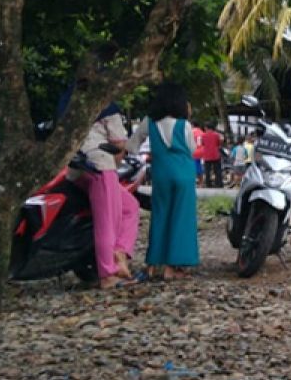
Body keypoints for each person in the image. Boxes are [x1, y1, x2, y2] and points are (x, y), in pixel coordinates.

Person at [130, 82, 199, 280]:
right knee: (181, 218)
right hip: (184, 174)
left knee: (160, 216)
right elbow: (192, 149)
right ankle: (173, 267)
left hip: (161, 175)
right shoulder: (183, 125)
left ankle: (153, 264)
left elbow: (133, 146)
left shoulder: (149, 122)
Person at [75, 103, 139, 289]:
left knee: (129, 206)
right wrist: (116, 162)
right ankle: (108, 273)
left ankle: (120, 251)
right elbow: (119, 142)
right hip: (99, 164)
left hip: (76, 167)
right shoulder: (107, 107)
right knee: (107, 222)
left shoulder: (69, 100)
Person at [199, 122, 224, 188]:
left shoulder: (203, 135)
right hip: (215, 155)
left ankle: (208, 184)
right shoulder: (217, 135)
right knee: (217, 171)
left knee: (207, 171)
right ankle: (218, 184)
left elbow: (202, 144)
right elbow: (219, 143)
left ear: (206, 127)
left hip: (207, 155)